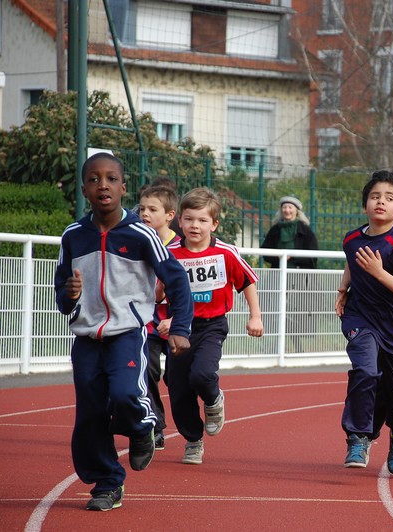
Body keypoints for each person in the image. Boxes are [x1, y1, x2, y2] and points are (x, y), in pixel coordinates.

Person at [54, 153, 193, 511]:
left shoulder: (141, 233)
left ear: (123, 187)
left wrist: (179, 327)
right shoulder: (73, 236)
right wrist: (69, 297)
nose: (103, 185)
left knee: (124, 394)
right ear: (84, 188)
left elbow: (175, 278)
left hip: (128, 331)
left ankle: (144, 425)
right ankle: (107, 483)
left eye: (112, 179)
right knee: (90, 413)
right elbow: (61, 292)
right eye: (95, 179)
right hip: (86, 338)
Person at [165, 187, 265, 465]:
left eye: (202, 220)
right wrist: (161, 312)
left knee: (202, 374)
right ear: (180, 222)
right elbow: (158, 289)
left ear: (214, 224)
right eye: (189, 219)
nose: (195, 226)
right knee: (178, 387)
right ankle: (193, 440)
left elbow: (247, 281)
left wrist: (255, 316)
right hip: (179, 327)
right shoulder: (170, 253)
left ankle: (213, 400)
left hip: (212, 325)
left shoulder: (225, 252)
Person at [334, 170, 393, 476]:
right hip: (360, 318)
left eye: (389, 198)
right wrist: (343, 290)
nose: (380, 201)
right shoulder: (352, 238)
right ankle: (358, 437)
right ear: (365, 204)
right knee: (365, 371)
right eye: (374, 196)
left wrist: (379, 272)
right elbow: (351, 262)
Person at [138, 184, 182, 450]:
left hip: (176, 322)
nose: (145, 214)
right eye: (142, 208)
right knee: (147, 370)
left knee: (177, 379)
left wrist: (176, 319)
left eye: (152, 209)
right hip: (148, 322)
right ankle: (155, 425)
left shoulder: (180, 245)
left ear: (169, 215)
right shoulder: (136, 243)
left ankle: (189, 428)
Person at [260, 195, 319, 352]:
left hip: (297, 278)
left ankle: (298, 347)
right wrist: (281, 257)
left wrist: (294, 257)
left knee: (294, 312)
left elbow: (313, 255)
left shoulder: (305, 230)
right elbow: (265, 252)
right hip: (277, 277)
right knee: (275, 311)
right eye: (284, 207)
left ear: (296, 211)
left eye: (290, 207)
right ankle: (275, 347)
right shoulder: (275, 230)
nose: (287, 210)